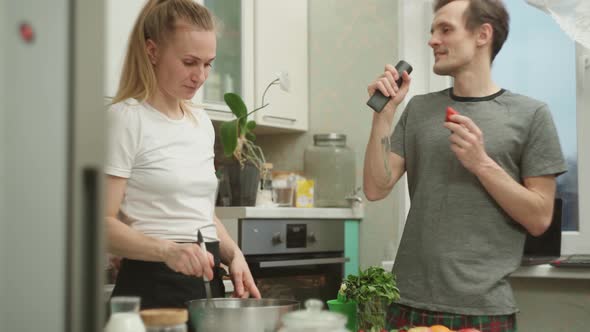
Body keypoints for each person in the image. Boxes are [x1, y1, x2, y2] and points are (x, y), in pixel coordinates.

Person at [363, 0, 566, 331]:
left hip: (484, 309)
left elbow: (540, 218)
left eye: (445, 29)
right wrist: (383, 117)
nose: (432, 40)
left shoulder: (531, 115)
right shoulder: (418, 109)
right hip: (406, 301)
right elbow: (375, 188)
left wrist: (481, 163)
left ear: (483, 34)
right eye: (431, 31)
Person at [105, 0, 261, 309]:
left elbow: (199, 213)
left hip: (206, 285)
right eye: (190, 62)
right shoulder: (126, 118)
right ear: (152, 51)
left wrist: (234, 254)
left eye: (208, 63)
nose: (200, 75)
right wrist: (168, 252)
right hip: (151, 287)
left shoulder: (200, 123)